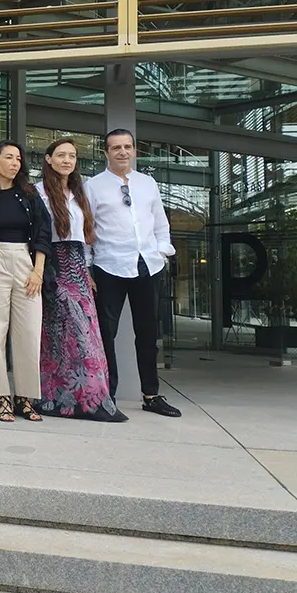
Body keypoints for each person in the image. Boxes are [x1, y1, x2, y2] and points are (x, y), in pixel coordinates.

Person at [87, 129, 182, 418]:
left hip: (147, 266)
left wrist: (162, 251)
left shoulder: (147, 183)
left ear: (134, 150)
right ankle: (107, 396)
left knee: (148, 334)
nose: (122, 152)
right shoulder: (93, 186)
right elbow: (87, 230)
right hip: (109, 266)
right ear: (106, 152)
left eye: (127, 146)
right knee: (107, 334)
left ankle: (151, 395)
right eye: (116, 147)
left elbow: (161, 223)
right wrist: (88, 266)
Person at [36, 139, 127, 423]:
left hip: (78, 266)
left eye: (72, 156)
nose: (67, 160)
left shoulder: (79, 192)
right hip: (53, 265)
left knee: (88, 335)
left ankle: (91, 399)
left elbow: (84, 237)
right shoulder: (38, 192)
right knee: (59, 336)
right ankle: (54, 399)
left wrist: (86, 270)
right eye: (61, 155)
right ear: (48, 159)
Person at [0, 141, 52, 423]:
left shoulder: (29, 195)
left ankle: (25, 396)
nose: (15, 163)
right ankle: (1, 396)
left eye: (18, 158)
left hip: (25, 262)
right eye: (9, 158)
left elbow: (43, 231)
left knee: (29, 331)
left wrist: (38, 270)